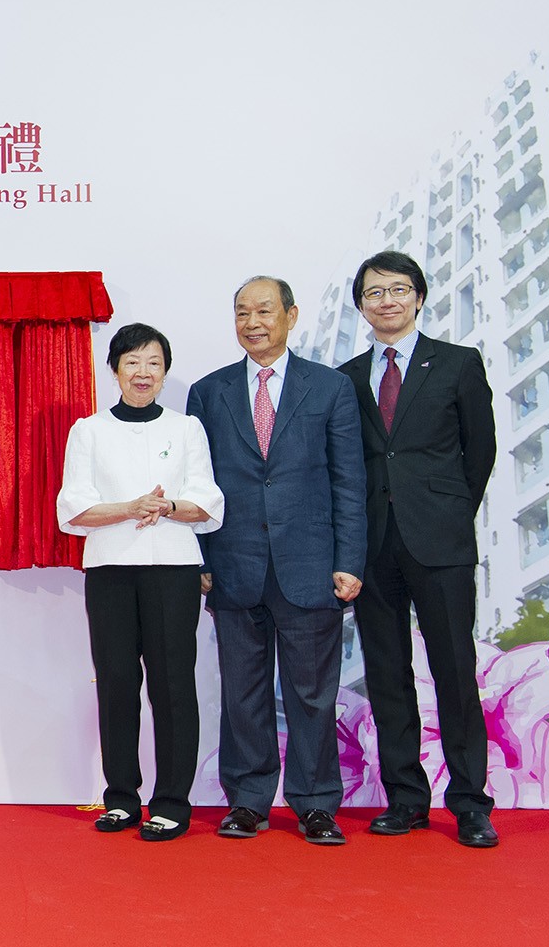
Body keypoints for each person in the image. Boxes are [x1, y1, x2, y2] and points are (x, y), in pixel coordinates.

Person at [185, 276, 366, 845]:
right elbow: (199, 484)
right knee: (243, 690)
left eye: (265, 310)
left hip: (311, 565)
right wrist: (201, 558)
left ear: (291, 315)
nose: (253, 322)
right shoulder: (208, 392)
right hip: (234, 565)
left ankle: (315, 803)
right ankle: (247, 800)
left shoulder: (330, 388)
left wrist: (350, 559)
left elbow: (348, 481)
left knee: (312, 692)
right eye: (242, 312)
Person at [338, 251, 499, 848]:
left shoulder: (457, 363)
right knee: (386, 675)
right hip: (374, 546)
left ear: (419, 297)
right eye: (374, 292)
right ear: (361, 305)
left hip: (441, 543)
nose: (387, 300)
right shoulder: (348, 377)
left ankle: (471, 804)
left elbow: (479, 452)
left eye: (398, 289)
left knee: (455, 672)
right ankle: (406, 798)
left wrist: (451, 513)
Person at [57, 323, 225, 841]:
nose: (143, 372)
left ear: (165, 371)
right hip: (109, 570)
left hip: (173, 569)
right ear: (114, 370)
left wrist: (167, 506)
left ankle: (172, 801)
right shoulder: (88, 430)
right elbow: (75, 508)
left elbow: (209, 503)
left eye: (153, 363)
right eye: (132, 362)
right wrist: (131, 508)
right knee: (116, 683)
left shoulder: (186, 427)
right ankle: (123, 798)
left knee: (174, 687)